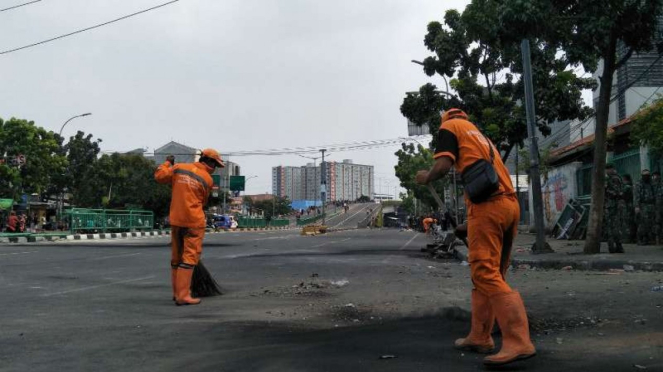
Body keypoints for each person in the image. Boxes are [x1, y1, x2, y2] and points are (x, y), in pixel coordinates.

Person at [416, 108, 535, 366]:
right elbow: (489, 178)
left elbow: (443, 165)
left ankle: (518, 340)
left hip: (489, 208)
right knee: (493, 274)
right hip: (508, 206)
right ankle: (480, 336)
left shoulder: (450, 128)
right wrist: (470, 224)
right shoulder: (480, 137)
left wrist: (427, 176)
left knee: (484, 272)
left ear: (444, 120)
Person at [155, 149, 224, 306]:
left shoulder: (178, 168)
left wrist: (167, 163)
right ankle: (183, 296)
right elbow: (203, 201)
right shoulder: (207, 179)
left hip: (176, 220)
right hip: (193, 222)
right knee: (189, 258)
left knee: (176, 260)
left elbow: (160, 176)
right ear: (210, 162)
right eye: (216, 165)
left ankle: (176, 293)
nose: (215, 168)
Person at [603, 164, 624, 253]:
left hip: (613, 205)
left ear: (612, 169)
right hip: (611, 205)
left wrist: (605, 190)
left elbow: (617, 192)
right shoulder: (611, 178)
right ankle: (614, 247)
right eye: (606, 169)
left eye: (608, 169)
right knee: (612, 227)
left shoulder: (614, 179)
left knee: (612, 227)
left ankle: (615, 247)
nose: (607, 171)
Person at [635, 169, 656, 245]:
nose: (646, 177)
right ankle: (640, 239)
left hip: (651, 205)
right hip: (643, 205)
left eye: (648, 175)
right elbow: (637, 195)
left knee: (650, 222)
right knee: (642, 223)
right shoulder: (639, 183)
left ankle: (647, 239)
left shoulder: (651, 183)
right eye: (645, 175)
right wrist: (637, 206)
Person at [621, 174, 636, 243]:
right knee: (630, 222)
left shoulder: (626, 187)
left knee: (627, 222)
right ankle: (631, 238)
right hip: (630, 205)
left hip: (627, 206)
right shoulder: (631, 186)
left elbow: (622, 195)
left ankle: (628, 238)